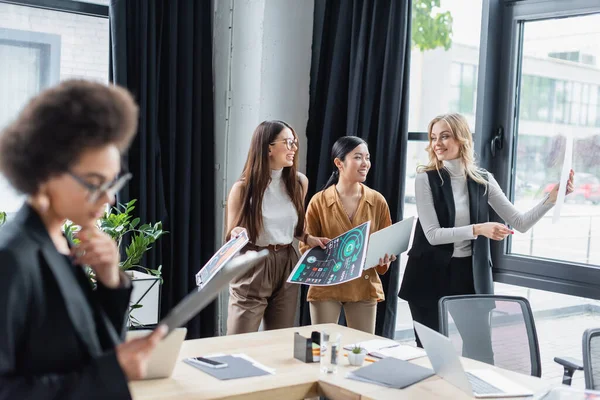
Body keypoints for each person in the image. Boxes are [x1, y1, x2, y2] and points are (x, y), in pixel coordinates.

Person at [0, 80, 167, 399]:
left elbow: (89, 349)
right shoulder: (11, 259)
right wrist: (114, 371)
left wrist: (109, 282)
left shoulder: (60, 241)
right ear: (45, 173)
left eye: (112, 184)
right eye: (94, 183)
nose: (107, 200)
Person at [398, 113, 574, 360]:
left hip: (468, 273)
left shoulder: (483, 180)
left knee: (480, 353)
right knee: (433, 356)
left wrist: (550, 200)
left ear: (462, 139)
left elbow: (520, 223)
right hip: (427, 273)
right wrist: (479, 229)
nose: (437, 143)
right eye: (433, 137)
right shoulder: (425, 178)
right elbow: (433, 235)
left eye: (445, 136)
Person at [226, 120, 329, 334]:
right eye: (288, 142)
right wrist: (236, 232)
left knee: (280, 337)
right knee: (237, 341)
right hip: (253, 262)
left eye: (294, 142)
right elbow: (231, 234)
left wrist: (309, 239)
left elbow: (295, 227)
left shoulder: (299, 182)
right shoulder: (243, 189)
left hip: (287, 261)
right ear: (268, 147)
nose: (294, 148)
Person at [300, 136, 396, 334]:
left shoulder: (377, 201)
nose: (365, 164)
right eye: (358, 157)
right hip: (326, 286)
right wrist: (317, 247)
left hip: (363, 286)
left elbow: (386, 242)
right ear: (339, 162)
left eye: (367, 158)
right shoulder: (319, 201)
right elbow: (305, 247)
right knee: (321, 349)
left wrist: (387, 255)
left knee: (361, 350)